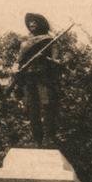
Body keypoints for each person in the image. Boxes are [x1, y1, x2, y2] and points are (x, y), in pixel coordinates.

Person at [16, 13, 60, 146]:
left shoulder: (50, 41)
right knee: (31, 109)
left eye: (34, 22)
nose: (31, 24)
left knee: (47, 106)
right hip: (28, 79)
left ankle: (49, 137)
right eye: (30, 22)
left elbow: (57, 61)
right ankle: (37, 139)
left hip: (44, 78)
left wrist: (45, 58)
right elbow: (20, 64)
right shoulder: (24, 44)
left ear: (41, 24)